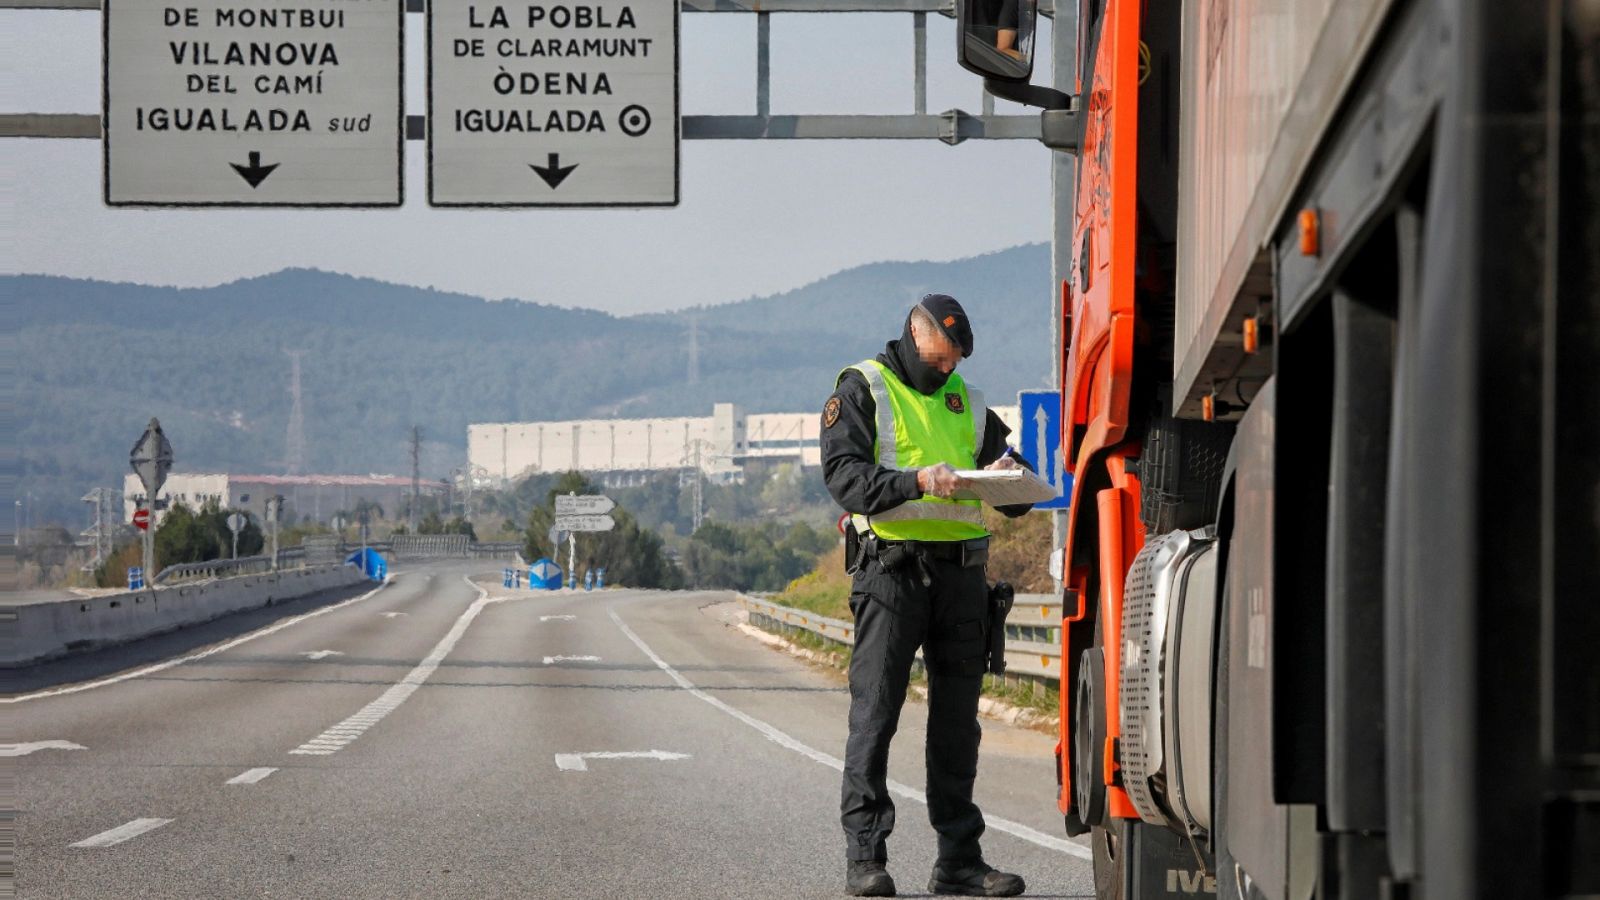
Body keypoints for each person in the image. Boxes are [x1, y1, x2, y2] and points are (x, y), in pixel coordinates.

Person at [821, 294, 1033, 898]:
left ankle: (959, 862)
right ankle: (866, 859)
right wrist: (915, 480)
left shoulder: (968, 400)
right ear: (914, 336)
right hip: (891, 574)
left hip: (962, 578)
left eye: (955, 361)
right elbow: (844, 478)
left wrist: (1014, 478)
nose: (947, 370)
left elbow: (1011, 483)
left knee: (957, 727)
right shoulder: (863, 388)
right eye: (939, 360)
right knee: (876, 715)